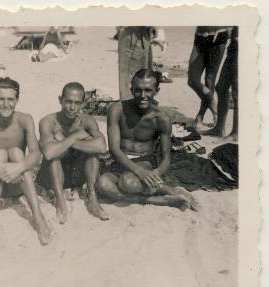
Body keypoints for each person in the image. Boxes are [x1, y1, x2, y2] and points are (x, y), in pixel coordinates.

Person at [0, 77, 52, 253]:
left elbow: (36, 153)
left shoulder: (24, 119)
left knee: (16, 152)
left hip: (17, 181)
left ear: (17, 100)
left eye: (10, 99)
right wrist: (0, 166)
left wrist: (18, 167)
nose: (6, 104)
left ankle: (38, 216)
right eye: (1, 99)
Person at [97, 69, 199, 211]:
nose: (143, 95)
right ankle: (161, 200)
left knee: (128, 183)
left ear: (156, 91)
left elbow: (166, 159)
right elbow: (114, 149)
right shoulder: (117, 109)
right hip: (119, 161)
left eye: (148, 90)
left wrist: (154, 175)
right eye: (138, 90)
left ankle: (166, 190)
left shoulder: (161, 119)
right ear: (132, 90)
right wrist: (139, 172)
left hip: (144, 161)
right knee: (103, 184)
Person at [36, 82, 109, 224]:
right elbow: (49, 153)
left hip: (77, 176)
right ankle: (61, 203)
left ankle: (93, 199)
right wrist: (75, 136)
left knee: (93, 153)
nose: (72, 107)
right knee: (55, 156)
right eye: (68, 102)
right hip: (52, 176)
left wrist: (66, 142)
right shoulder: (48, 121)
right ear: (60, 100)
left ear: (83, 103)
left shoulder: (87, 121)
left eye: (77, 103)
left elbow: (101, 147)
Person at [187, 27, 230, 128]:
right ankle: (214, 107)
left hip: (219, 36)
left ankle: (200, 115)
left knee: (209, 79)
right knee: (192, 80)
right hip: (200, 37)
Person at [202, 27, 238, 141]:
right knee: (221, 87)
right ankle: (219, 128)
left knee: (237, 92)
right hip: (233, 47)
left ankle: (236, 133)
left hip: (243, 46)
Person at [118, 27, 167, 100]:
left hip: (142, 35)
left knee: (144, 76)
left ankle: (139, 106)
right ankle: (131, 106)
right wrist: (158, 31)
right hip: (134, 35)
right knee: (134, 79)